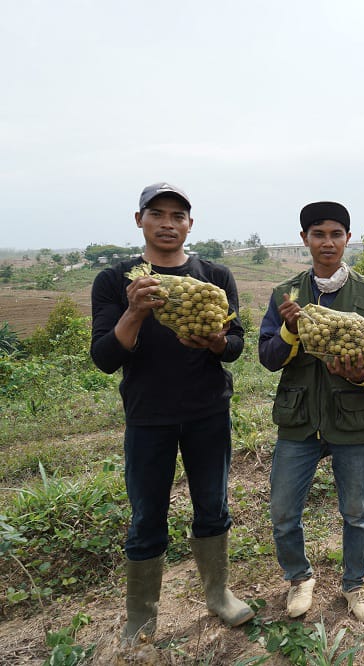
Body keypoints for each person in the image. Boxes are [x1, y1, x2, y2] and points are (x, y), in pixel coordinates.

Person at [90, 182, 254, 644]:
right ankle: (141, 617)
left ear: (190, 224)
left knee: (213, 507)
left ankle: (218, 595)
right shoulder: (117, 281)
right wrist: (134, 311)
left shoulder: (214, 276)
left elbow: (235, 345)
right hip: (148, 416)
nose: (168, 223)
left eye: (177, 215)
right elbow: (104, 357)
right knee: (146, 517)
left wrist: (215, 341)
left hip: (207, 411)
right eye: (157, 213)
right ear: (139, 219)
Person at [258, 201, 364, 623]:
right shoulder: (287, 294)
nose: (327, 242)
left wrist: (361, 376)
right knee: (283, 511)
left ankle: (355, 584)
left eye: (336, 234)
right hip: (299, 418)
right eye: (318, 234)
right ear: (305, 239)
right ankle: (299, 577)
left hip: (351, 418)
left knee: (355, 511)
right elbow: (267, 356)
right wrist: (289, 331)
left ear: (347, 239)